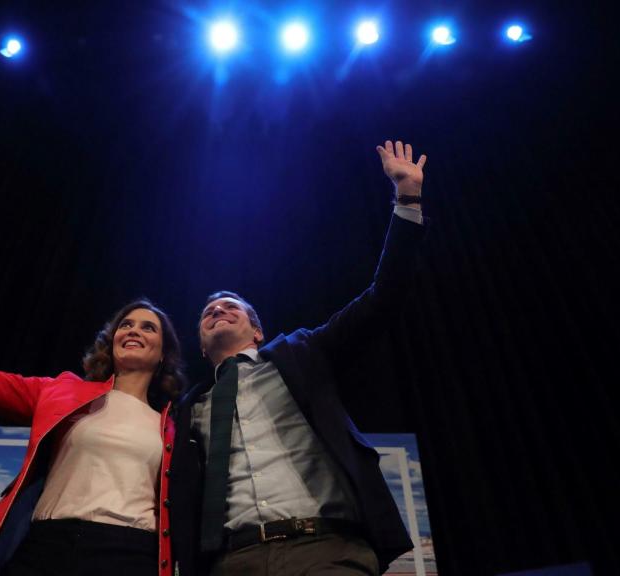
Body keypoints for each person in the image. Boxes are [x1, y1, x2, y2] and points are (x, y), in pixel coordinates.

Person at [168, 141, 429, 576]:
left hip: (327, 550)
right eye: (208, 312)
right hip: (232, 563)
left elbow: (382, 299)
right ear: (199, 345)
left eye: (231, 305)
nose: (218, 309)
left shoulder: (303, 352)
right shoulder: (188, 409)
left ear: (258, 330)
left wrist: (407, 198)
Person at [0, 236, 186, 576]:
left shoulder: (172, 427)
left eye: (148, 327)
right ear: (113, 340)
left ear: (163, 352)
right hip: (47, 547)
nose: (133, 330)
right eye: (126, 324)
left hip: (129, 555)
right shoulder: (60, 392)